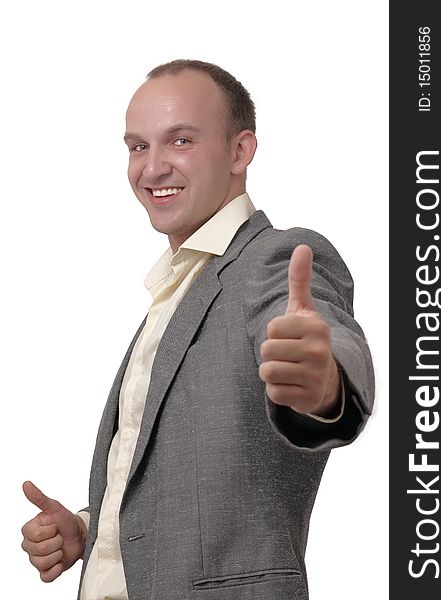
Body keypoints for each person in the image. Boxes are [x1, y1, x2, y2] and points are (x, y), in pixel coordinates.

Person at [21, 59, 375, 600]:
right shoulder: (177, 290)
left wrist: (325, 383)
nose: (152, 167)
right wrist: (91, 531)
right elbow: (191, 476)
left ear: (240, 151)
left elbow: (325, 343)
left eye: (179, 141)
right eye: (137, 146)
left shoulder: (273, 260)